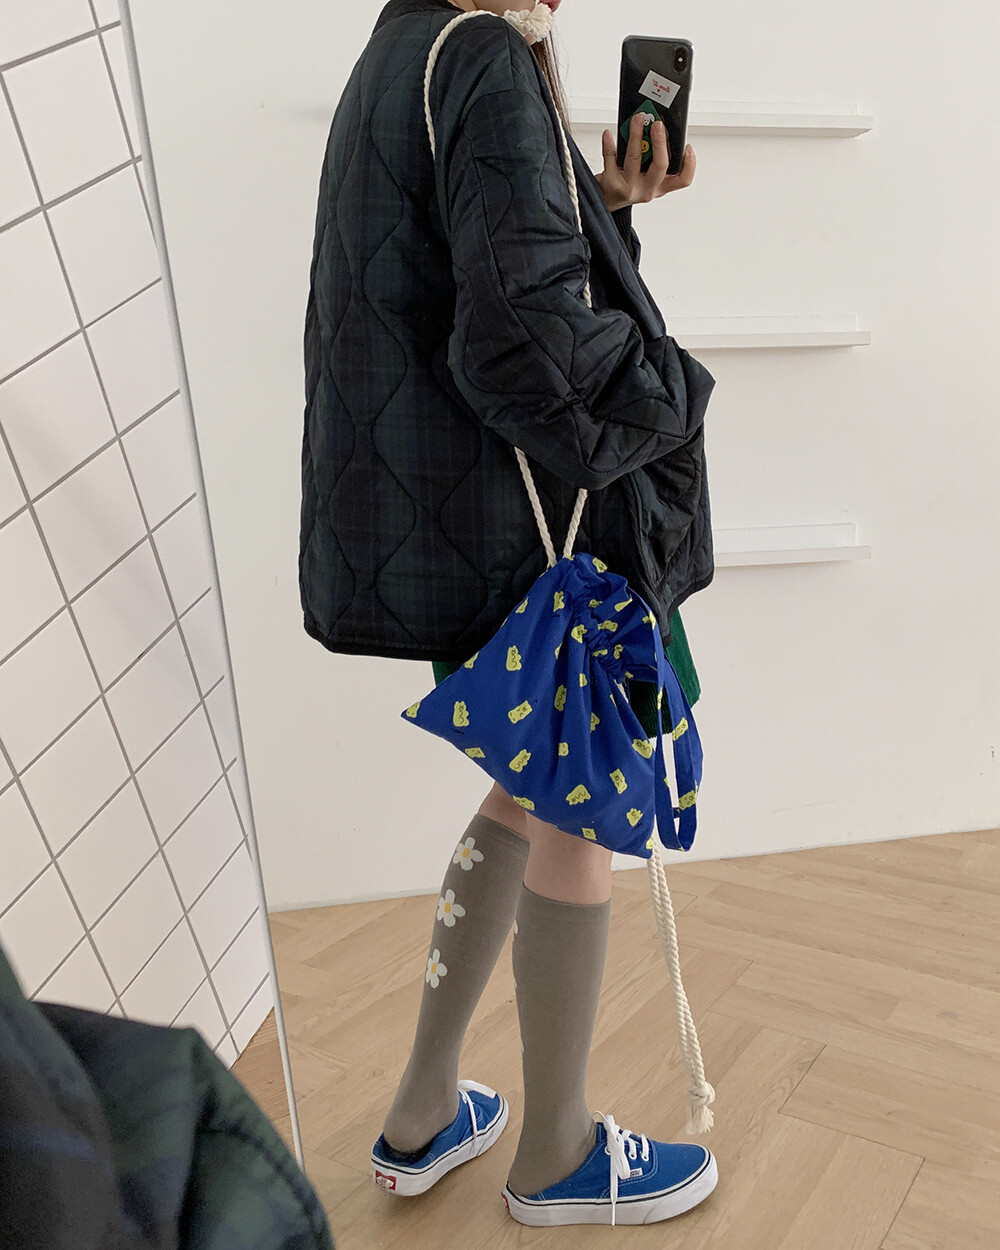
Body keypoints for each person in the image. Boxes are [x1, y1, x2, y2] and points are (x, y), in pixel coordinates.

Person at [299, 0, 718, 1227]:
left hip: (465, 517)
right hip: (537, 526)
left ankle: (422, 1107)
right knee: (577, 803)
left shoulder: (409, 40)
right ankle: (556, 1150)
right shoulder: (485, 55)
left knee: (528, 792)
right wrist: (677, 391)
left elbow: (479, 276)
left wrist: (608, 204)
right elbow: (521, 342)